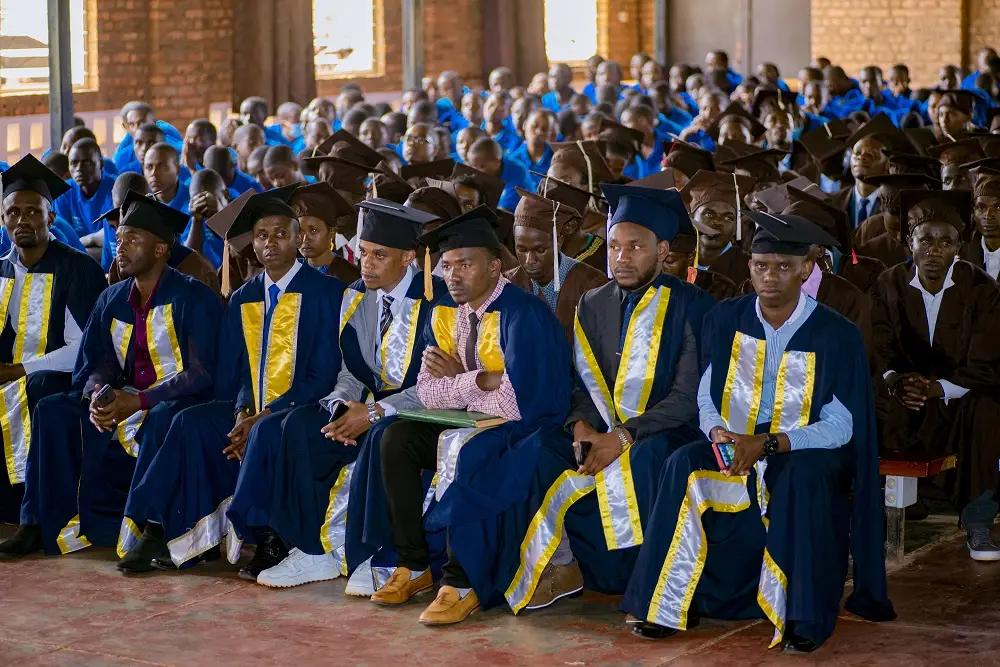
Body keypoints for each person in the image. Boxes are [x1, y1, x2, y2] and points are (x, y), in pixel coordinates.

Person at [623, 209, 894, 650]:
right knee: (682, 463)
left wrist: (771, 443)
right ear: (748, 266)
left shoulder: (835, 333)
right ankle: (667, 605)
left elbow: (841, 426)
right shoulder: (725, 318)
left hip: (805, 448)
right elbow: (707, 393)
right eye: (761, 265)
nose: (770, 277)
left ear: (806, 269)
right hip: (736, 436)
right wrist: (717, 433)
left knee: (803, 477)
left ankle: (801, 616)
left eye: (784, 266)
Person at [492, 183, 715, 618]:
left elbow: (687, 396)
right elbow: (580, 381)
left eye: (635, 247)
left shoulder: (694, 306)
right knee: (539, 448)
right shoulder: (593, 302)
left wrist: (624, 437)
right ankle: (563, 565)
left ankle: (642, 578)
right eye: (614, 246)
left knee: (648, 458)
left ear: (662, 250)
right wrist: (581, 425)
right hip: (604, 426)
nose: (621, 257)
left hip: (667, 430)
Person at [114, 190, 344, 574]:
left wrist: (263, 415)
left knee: (265, 430)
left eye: (281, 234)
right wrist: (241, 412)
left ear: (297, 238)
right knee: (188, 421)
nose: (271, 243)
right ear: (253, 243)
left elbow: (322, 376)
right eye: (262, 235)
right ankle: (160, 528)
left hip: (301, 409)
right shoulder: (243, 297)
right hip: (249, 409)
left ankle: (270, 539)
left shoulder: (327, 292)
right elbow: (235, 372)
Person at [363, 205, 569, 626]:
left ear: (494, 267)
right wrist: (482, 380)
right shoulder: (445, 312)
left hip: (530, 431)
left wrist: (460, 381)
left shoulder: (522, 314)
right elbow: (428, 391)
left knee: (467, 451)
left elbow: (516, 403)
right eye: (447, 265)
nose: (453, 276)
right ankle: (414, 565)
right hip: (475, 423)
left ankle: (461, 582)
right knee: (395, 438)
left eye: (465, 265)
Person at [0, 190, 222, 559]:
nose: (120, 247)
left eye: (132, 239)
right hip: (125, 397)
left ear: (160, 249)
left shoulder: (193, 297)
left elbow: (201, 372)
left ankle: (153, 530)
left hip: (175, 400)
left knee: (165, 418)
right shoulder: (113, 297)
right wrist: (98, 395)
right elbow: (96, 360)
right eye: (118, 239)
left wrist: (141, 400)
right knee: (53, 410)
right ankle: (37, 523)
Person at [259, 199, 447, 589]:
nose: (367, 264)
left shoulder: (438, 299)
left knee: (383, 437)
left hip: (420, 410)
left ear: (408, 257)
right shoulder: (357, 294)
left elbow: (437, 386)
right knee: (301, 425)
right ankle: (313, 550)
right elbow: (351, 370)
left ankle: (378, 556)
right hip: (367, 406)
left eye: (380, 255)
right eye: (363, 252)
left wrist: (374, 413)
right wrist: (342, 404)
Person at [873, 189, 1000, 561]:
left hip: (960, 396)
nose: (934, 250)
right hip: (905, 395)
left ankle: (978, 521)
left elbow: (988, 360)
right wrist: (897, 381)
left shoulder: (982, 288)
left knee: (988, 410)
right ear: (908, 242)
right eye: (925, 240)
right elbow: (878, 346)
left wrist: (938, 388)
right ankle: (879, 517)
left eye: (946, 242)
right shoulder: (888, 284)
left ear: (959, 247)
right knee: (872, 401)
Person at [0, 156, 106, 524]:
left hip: (66, 379)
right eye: (14, 212)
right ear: (3, 219)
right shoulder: (1, 271)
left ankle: (36, 513)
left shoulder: (78, 268)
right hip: (12, 375)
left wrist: (19, 370)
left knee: (39, 386)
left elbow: (85, 349)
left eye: (33, 212)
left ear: (51, 218)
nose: (23, 220)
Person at [504, 188, 607, 341]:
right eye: (522, 250)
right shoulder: (507, 284)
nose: (529, 260)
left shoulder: (591, 283)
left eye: (540, 250)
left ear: (558, 242)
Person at [103, 173, 220, 295]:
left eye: (133, 239)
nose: (121, 222)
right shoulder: (122, 265)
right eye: (119, 240)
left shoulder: (198, 272)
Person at [679, 169, 756, 287]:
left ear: (736, 228)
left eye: (728, 218)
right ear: (691, 218)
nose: (718, 222)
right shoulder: (676, 261)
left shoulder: (748, 268)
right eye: (709, 214)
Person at [829, 114, 904, 228]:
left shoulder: (896, 208)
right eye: (857, 153)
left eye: (871, 155)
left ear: (887, 165)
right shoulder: (832, 201)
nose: (861, 157)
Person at [54, 139, 115, 258]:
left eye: (86, 162)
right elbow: (62, 242)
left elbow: (113, 243)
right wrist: (94, 239)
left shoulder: (115, 189)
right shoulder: (64, 191)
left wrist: (85, 241)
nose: (79, 168)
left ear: (101, 163)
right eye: (74, 163)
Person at [291, 181, 361, 284]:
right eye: (299, 231)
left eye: (313, 231)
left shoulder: (351, 278)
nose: (305, 239)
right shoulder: (291, 274)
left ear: (332, 232)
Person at [181, 168, 231, 271]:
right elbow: (189, 261)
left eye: (210, 196)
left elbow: (240, 251)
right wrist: (196, 220)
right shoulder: (189, 217)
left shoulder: (238, 211)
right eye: (197, 199)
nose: (204, 203)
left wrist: (219, 214)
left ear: (225, 194)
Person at [466, 138, 533, 212]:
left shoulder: (518, 173)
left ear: (497, 161)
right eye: (473, 166)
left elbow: (503, 212)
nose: (476, 172)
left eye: (482, 166)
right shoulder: (484, 170)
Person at [962, 174, 1000, 279]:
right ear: (973, 212)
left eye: (998, 207)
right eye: (981, 207)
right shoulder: (961, 253)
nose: (988, 215)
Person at [509, 110, 554, 188]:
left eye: (544, 129)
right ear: (525, 125)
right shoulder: (513, 160)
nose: (539, 132)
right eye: (534, 126)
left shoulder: (555, 160)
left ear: (550, 132)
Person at [144, 143, 190, 216]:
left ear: (178, 169)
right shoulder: (142, 202)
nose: (154, 173)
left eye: (163, 167)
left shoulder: (193, 201)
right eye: (149, 167)